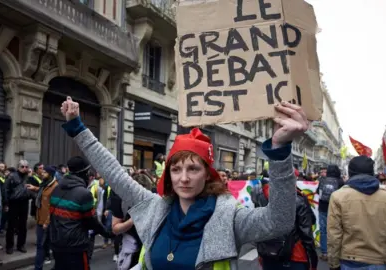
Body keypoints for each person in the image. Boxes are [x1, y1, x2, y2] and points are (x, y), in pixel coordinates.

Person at [61, 97, 307, 269]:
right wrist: (78, 128)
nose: (184, 178)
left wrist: (280, 150)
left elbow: (280, 220)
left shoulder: (230, 218)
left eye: (193, 168)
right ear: (168, 175)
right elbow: (114, 172)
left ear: (207, 174)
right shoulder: (153, 207)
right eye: (176, 169)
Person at [328, 156, 386, 270]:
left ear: (350, 173)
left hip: (349, 260)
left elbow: (334, 234)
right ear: (372, 173)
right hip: (380, 260)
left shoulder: (338, 197)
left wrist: (333, 263)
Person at [49, 156, 107, 269]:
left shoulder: (56, 188)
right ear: (84, 172)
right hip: (75, 247)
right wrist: (108, 233)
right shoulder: (84, 194)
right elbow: (90, 221)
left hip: (56, 243)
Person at [257, 181, 318, 270]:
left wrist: (260, 253)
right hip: (295, 255)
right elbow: (306, 234)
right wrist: (313, 262)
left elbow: (259, 228)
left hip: (268, 254)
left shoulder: (261, 196)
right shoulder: (298, 199)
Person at [29, 166, 58, 270]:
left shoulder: (55, 187)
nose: (42, 173)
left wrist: (47, 221)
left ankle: (38, 268)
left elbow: (53, 207)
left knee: (42, 246)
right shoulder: (44, 184)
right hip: (40, 219)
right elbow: (43, 192)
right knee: (45, 245)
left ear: (50, 174)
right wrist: (35, 188)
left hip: (47, 221)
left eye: (45, 172)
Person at [317, 164, 344, 261]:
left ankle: (325, 253)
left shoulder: (322, 180)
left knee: (323, 230)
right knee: (336, 230)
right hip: (336, 209)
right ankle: (336, 253)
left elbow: (318, 193)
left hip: (323, 208)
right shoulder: (340, 181)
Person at [5, 160, 32, 254]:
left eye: (26, 166)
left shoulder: (29, 177)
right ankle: (9, 246)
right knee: (11, 226)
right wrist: (6, 203)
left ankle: (21, 245)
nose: (25, 168)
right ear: (18, 167)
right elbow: (6, 190)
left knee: (23, 225)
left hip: (24, 202)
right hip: (14, 203)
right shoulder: (12, 176)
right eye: (22, 166)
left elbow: (33, 187)